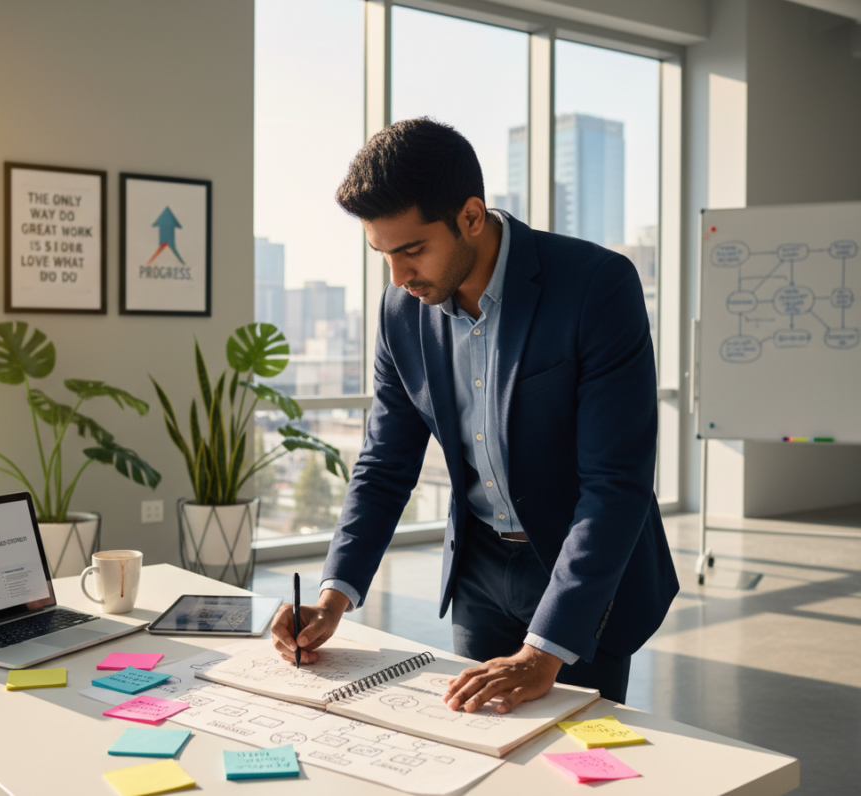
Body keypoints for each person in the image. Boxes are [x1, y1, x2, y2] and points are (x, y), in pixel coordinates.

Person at [270, 117, 678, 711]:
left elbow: (616, 485)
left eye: (411, 250)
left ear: (470, 216)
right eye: (382, 254)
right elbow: (385, 463)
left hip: (578, 568)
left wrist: (545, 652)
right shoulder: (401, 312)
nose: (398, 277)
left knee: (569, 760)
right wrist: (333, 596)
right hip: (479, 572)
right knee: (479, 742)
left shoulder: (596, 287)